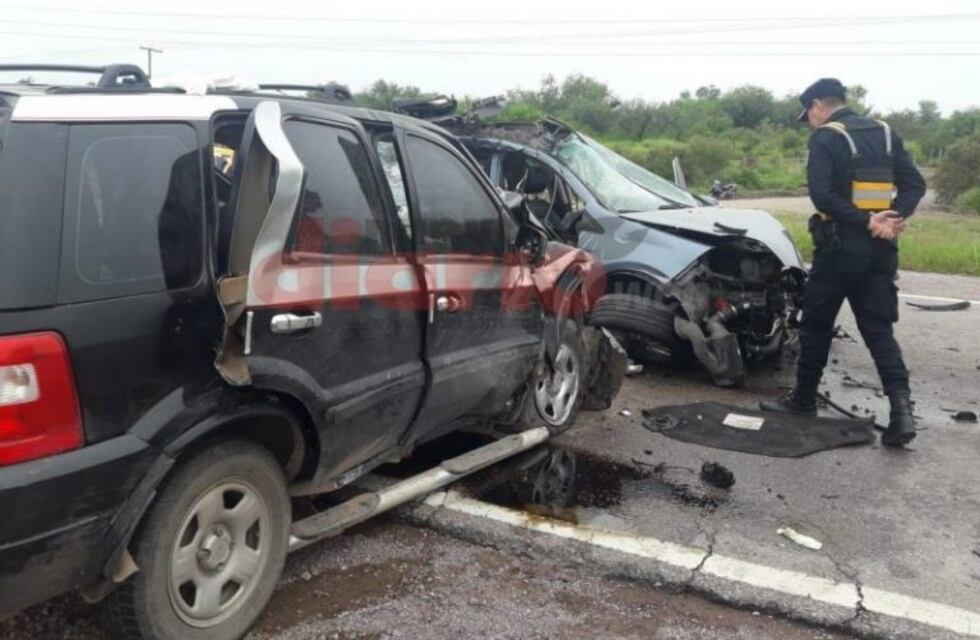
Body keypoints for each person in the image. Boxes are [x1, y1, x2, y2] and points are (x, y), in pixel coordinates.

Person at [760, 78, 926, 447]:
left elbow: (822, 195)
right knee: (879, 330)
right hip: (881, 251)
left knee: (817, 325)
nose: (810, 122)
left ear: (818, 104)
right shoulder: (885, 133)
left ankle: (802, 402)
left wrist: (869, 221)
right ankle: (901, 413)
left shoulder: (827, 137)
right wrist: (893, 218)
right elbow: (915, 184)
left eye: (809, 115)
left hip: (839, 249)